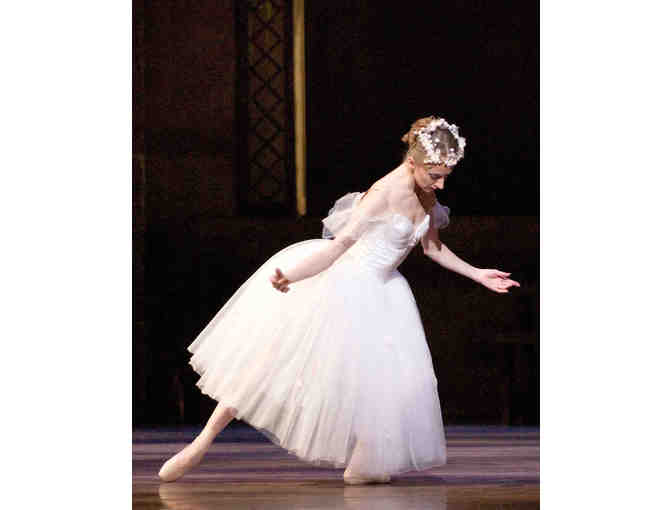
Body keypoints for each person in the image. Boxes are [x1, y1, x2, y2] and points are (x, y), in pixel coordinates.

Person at [157, 116, 520, 485]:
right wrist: (293, 276)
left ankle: (365, 458)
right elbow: (338, 246)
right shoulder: (383, 193)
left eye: (445, 176)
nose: (441, 184)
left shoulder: (426, 193)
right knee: (275, 362)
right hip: (347, 282)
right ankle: (202, 443)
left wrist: (477, 273)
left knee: (389, 378)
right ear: (412, 162)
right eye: (435, 175)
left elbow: (432, 247)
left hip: (385, 291)